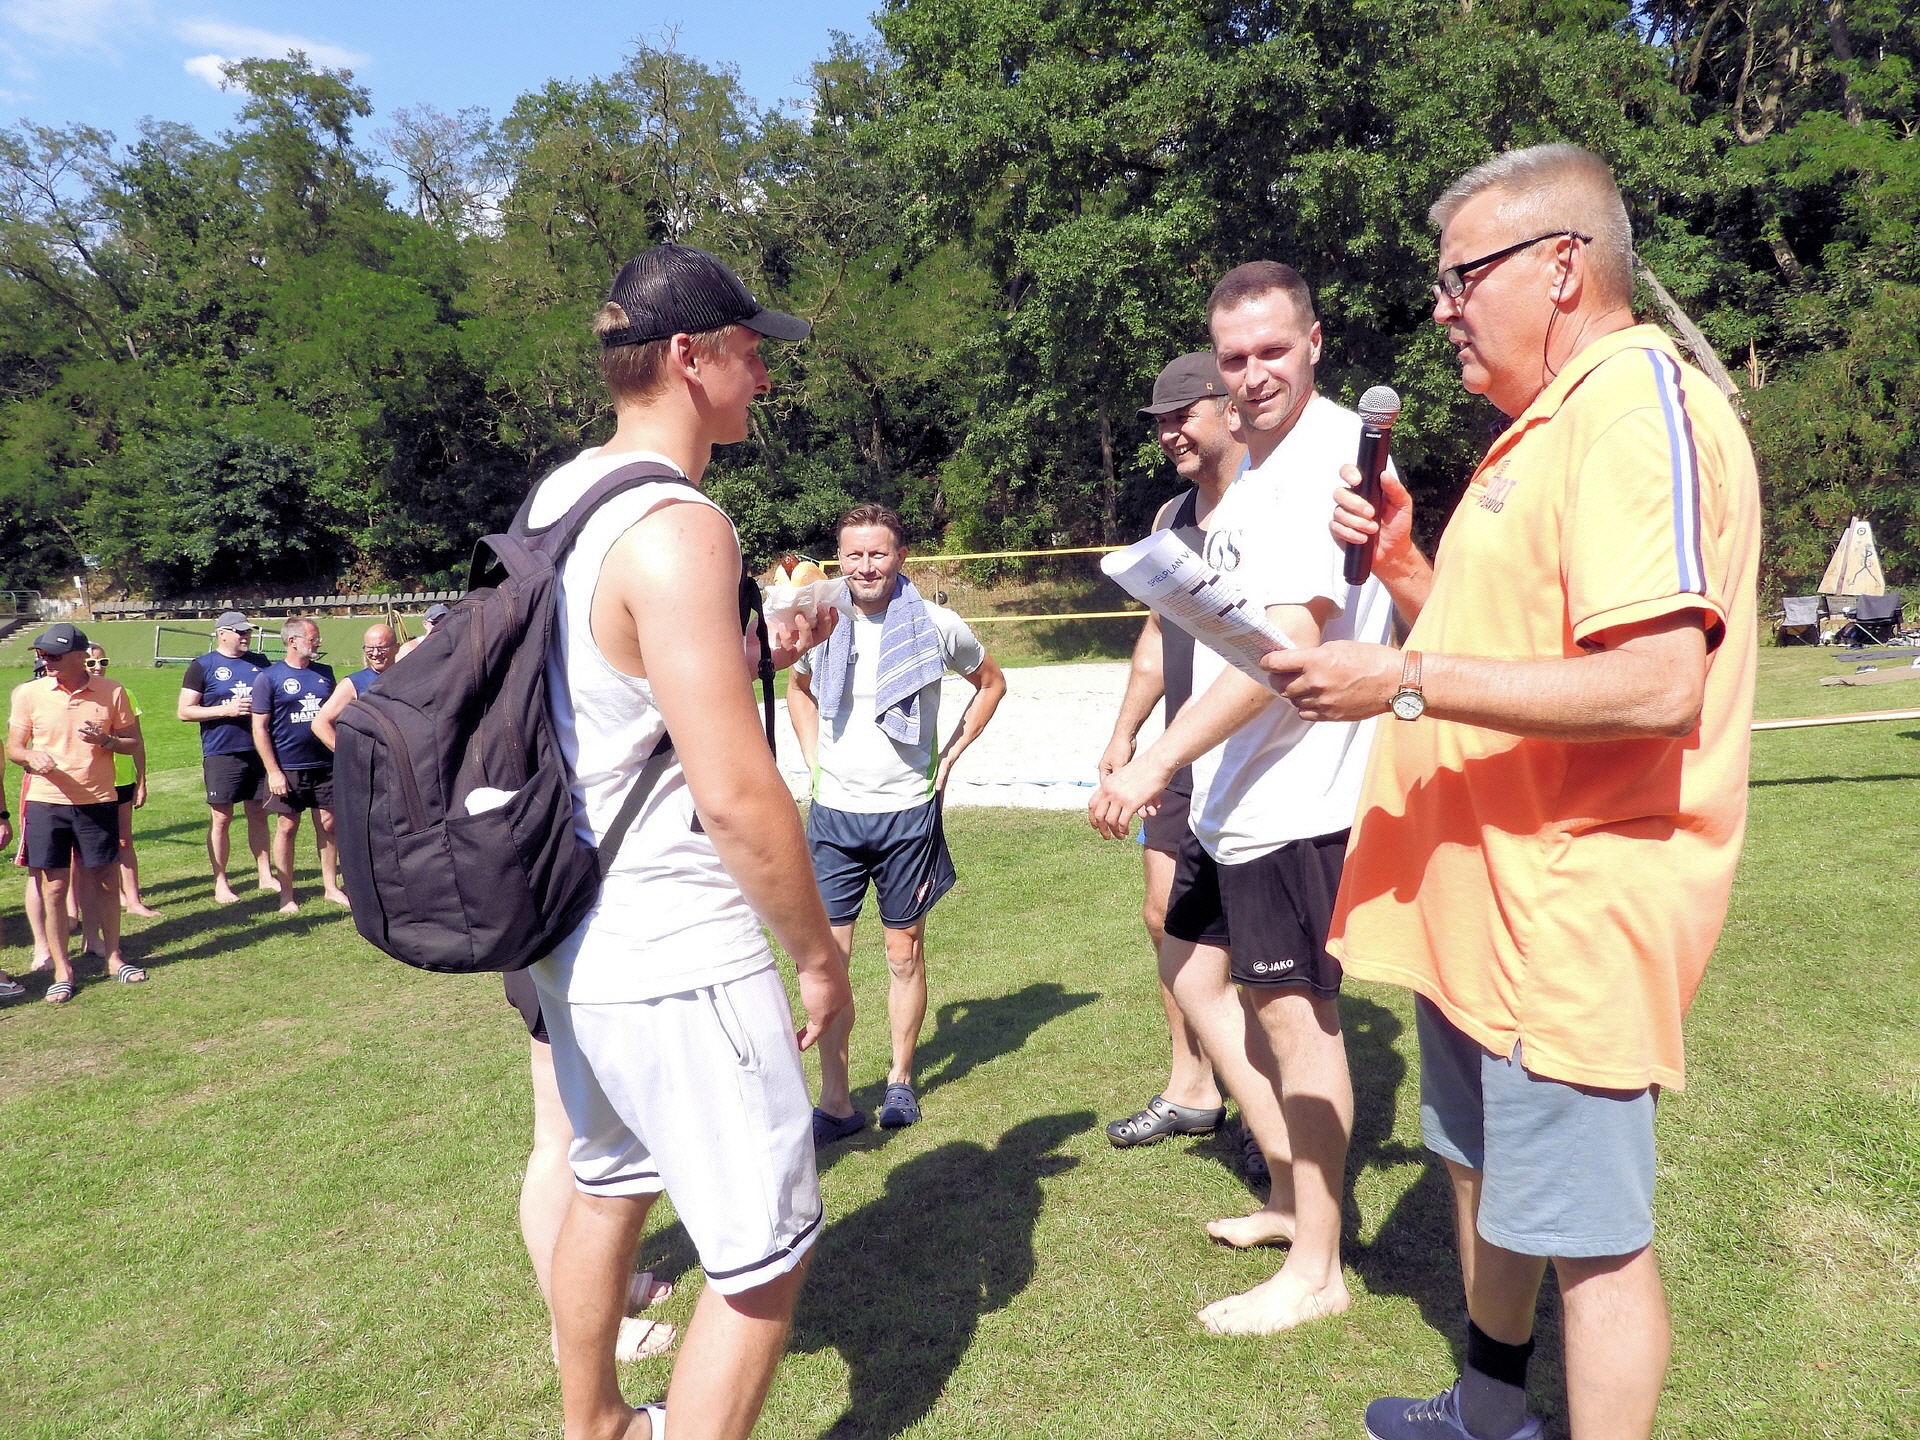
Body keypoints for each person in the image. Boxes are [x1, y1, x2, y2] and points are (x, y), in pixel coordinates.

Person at [1264, 145, 1759, 1440]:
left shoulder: (1632, 403)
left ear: (1563, 265)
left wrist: (1400, 678)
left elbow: (1657, 683)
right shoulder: (1549, 424)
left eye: (1461, 277)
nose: (1442, 309)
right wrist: (1405, 569)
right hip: (1485, 900)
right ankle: (1489, 1410)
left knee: (1595, 1244)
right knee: (1480, 1166)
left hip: (1568, 906)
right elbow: (1526, 650)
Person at [524, 241, 849, 1440]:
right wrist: (816, 954)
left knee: (609, 1186)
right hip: (675, 940)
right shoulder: (678, 523)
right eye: (751, 352)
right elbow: (736, 793)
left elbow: (612, 694)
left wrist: (757, 650)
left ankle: (596, 1425)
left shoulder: (563, 497)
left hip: (571, 930)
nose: (764, 376)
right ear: (686, 356)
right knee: (766, 1254)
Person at [1089, 261, 1394, 1336]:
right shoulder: (1259, 468)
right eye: (1235, 357)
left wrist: (1150, 762)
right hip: (1240, 795)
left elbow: (1288, 650)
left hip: (1299, 800)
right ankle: (1293, 1199)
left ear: (1315, 342)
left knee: (1300, 1026)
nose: (1254, 373)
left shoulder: (1324, 463)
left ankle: (1318, 1267)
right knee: (1207, 978)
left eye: (1273, 350)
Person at [787, 502, 1007, 1141]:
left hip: (908, 814)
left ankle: (900, 1081)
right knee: (829, 961)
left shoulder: (937, 624)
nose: (865, 566)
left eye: (878, 553)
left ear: (900, 557)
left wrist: (951, 755)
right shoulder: (820, 623)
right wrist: (813, 759)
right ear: (839, 559)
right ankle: (835, 1101)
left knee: (903, 951)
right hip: (835, 818)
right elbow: (798, 688)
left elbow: (991, 683)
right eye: (853, 554)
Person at [1098, 353, 1246, 1158]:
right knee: (1165, 918)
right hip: (1180, 758)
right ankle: (1192, 1087)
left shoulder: (1266, 506)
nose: (1168, 433)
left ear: (1229, 407)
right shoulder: (1170, 516)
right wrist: (1127, 732)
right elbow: (1159, 632)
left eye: (1182, 415)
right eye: (1159, 421)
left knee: (1252, 939)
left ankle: (1268, 1109)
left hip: (1253, 757)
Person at [5, 622, 147, 1001]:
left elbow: (133, 743)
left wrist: (107, 740)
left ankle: (114, 958)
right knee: (53, 887)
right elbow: (14, 747)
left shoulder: (112, 691)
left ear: (80, 656)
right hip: (46, 801)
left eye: (54, 655)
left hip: (97, 800)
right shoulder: (29, 693)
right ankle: (62, 970)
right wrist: (30, 756)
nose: (46, 661)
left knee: (106, 880)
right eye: (42, 655)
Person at [251, 616, 346, 914]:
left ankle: (331, 887)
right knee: (287, 826)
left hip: (325, 764)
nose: (318, 643)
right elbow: (259, 728)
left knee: (329, 824)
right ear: (292, 641)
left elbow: (335, 715)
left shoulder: (324, 673)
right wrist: (273, 771)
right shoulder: (269, 678)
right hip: (288, 767)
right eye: (312, 638)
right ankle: (287, 894)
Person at [178, 612, 274, 904]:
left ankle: (265, 874)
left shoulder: (260, 662)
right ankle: (220, 881)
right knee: (222, 817)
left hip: (259, 750)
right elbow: (184, 711)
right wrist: (226, 710)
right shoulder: (202, 666)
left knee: (258, 812)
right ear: (222, 633)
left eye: (248, 632)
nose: (246, 636)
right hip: (222, 751)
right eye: (240, 632)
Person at [85, 644, 161, 923]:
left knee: (124, 839)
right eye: (91, 663)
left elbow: (137, 742)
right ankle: (103, 897)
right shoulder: (77, 697)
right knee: (89, 844)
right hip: (90, 781)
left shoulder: (123, 693)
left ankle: (134, 900)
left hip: (122, 778)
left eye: (102, 661)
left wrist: (142, 779)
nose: (98, 667)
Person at [312, 622, 397, 751]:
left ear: (396, 647)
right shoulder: (353, 683)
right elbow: (320, 723)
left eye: (382, 648)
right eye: (370, 648)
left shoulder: (408, 677)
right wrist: (346, 755)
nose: (375, 653)